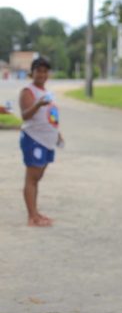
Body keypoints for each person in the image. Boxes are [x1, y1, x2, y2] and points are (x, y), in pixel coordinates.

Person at [19, 57, 63, 227]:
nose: (42, 74)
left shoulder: (46, 92)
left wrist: (58, 134)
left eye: (45, 71)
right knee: (31, 178)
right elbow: (25, 115)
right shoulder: (28, 91)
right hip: (33, 140)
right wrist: (37, 104)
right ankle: (32, 217)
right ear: (32, 73)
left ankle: (36, 213)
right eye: (39, 71)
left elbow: (51, 116)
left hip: (47, 141)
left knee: (37, 178)